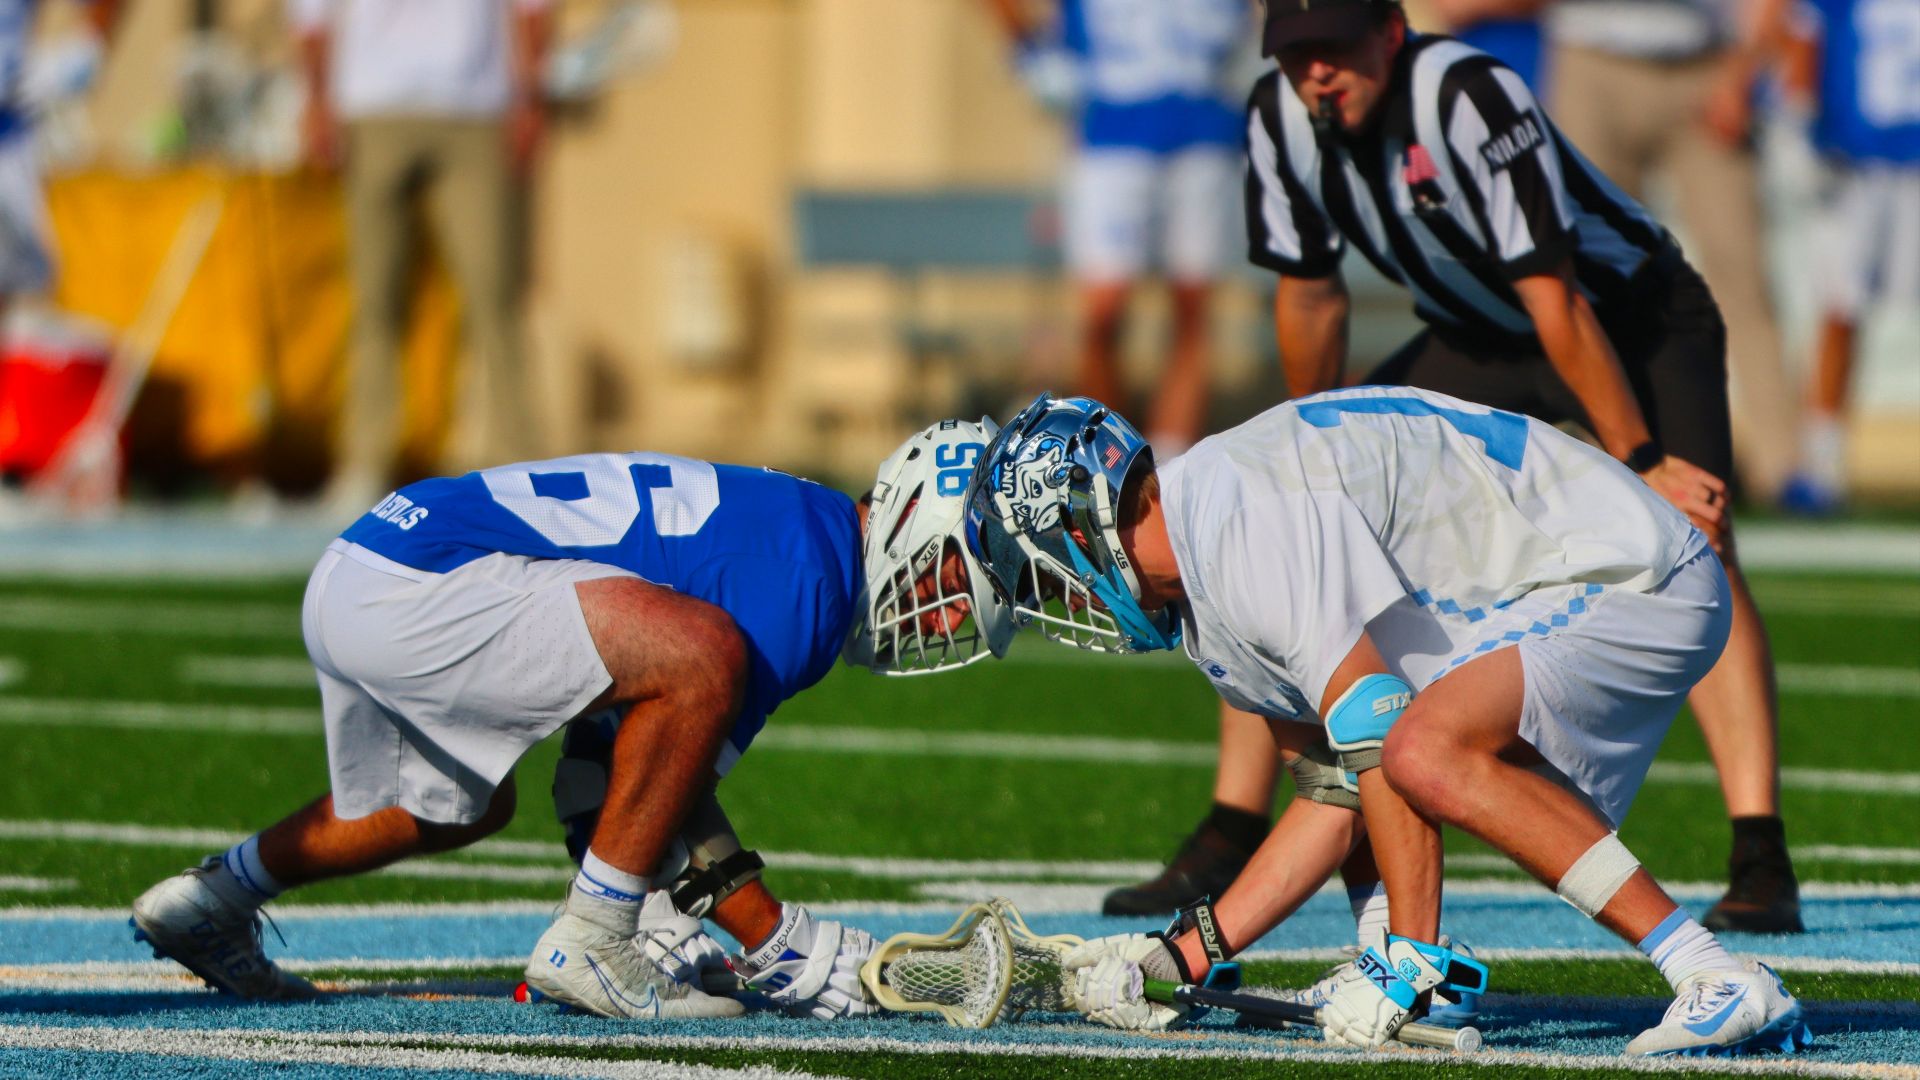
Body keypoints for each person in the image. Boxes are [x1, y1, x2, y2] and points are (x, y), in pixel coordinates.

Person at [1160, 0, 1801, 934]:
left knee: (1697, 535)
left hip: (1625, 316)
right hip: (1481, 334)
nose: (1316, 72)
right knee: (1268, 531)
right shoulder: (1278, 118)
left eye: (1333, 47)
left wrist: (1642, 460)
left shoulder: (1466, 93)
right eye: (1296, 54)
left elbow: (1558, 299)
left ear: (1390, 31)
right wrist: (1297, 449)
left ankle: (1761, 850)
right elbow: (1309, 295)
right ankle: (1232, 817)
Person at [964, 389, 1811, 1056]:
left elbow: (1379, 729)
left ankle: (1711, 973)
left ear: (1078, 531)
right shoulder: (1203, 564)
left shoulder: (1233, 518)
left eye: (1045, 579)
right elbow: (1335, 793)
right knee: (1394, 752)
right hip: (1563, 580)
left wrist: (1409, 961)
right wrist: (1178, 955)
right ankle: (1399, 956)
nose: (1059, 603)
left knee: (1419, 748)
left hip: (1628, 569)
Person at [130, 420, 1016, 1020]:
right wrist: (784, 943)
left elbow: (610, 779)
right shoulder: (813, 580)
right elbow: (636, 783)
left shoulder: (801, 536)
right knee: (705, 656)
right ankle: (592, 940)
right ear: (912, 521)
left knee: (459, 807)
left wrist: (671, 912)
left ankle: (216, 897)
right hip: (420, 583)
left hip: (369, 565)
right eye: (952, 588)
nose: (943, 623)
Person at [292, 0, 553, 514]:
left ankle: (521, 465)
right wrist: (316, 99)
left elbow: (532, 9)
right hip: (372, 106)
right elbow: (311, 14)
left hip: (475, 108)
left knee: (494, 294)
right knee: (375, 300)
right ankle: (365, 462)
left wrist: (530, 98)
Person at [982, 0, 1250, 454]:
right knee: (1104, 315)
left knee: (1192, 307)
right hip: (1111, 138)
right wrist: (1029, 50)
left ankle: (1171, 461)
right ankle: (1105, 457)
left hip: (1207, 134)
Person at [1774, 0, 1920, 515]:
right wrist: (1798, 118)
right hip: (1854, 162)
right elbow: (1801, 38)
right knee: (1840, 308)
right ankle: (1822, 466)